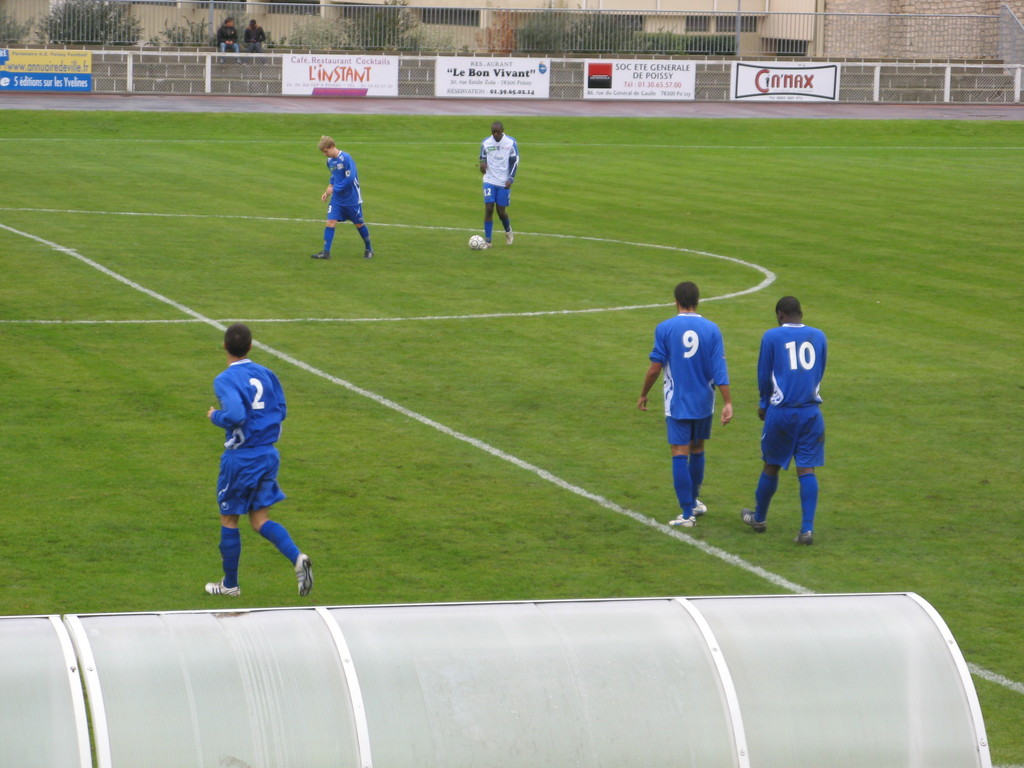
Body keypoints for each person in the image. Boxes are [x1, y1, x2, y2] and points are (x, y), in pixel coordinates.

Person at [205, 323, 314, 597]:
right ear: (251, 346)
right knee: (259, 520)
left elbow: (236, 415)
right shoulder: (267, 374)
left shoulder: (225, 379)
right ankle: (297, 558)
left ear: (225, 347)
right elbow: (282, 409)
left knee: (229, 519)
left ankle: (230, 585)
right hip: (268, 455)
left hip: (241, 459)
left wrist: (214, 416)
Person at [638, 281, 732, 528]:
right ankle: (694, 502)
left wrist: (643, 393)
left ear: (676, 301)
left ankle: (687, 513)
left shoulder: (665, 328)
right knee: (698, 448)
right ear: (698, 300)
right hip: (704, 400)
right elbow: (719, 368)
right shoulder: (712, 329)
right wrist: (728, 401)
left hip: (678, 400)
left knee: (680, 452)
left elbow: (655, 367)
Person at [740, 296, 827, 545]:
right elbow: (820, 370)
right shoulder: (819, 336)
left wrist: (763, 404)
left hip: (782, 412)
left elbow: (763, 374)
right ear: (801, 312)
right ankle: (807, 530)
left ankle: (759, 517)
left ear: (780, 314)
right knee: (807, 468)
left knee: (771, 464)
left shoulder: (772, 336)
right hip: (811, 412)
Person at [311, 135, 374, 260]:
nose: (325, 154)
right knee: (330, 222)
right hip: (337, 200)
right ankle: (326, 252)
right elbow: (334, 176)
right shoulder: (329, 162)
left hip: (352, 199)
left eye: (325, 151)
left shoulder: (346, 158)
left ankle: (369, 248)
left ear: (332, 147)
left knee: (359, 224)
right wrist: (327, 191)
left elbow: (350, 179)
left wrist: (334, 189)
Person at [478, 120, 518, 249]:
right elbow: (482, 156)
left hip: (503, 182)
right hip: (489, 180)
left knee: (501, 212)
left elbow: (514, 162)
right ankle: (488, 241)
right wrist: (482, 163)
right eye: (493, 132)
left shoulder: (511, 142)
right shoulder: (485, 142)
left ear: (502, 130)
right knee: (489, 209)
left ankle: (508, 231)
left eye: (498, 132)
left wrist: (511, 179)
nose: (495, 134)